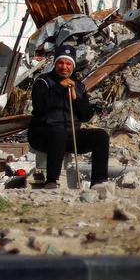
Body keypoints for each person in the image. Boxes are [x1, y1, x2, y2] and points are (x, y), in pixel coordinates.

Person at [27, 50, 109, 187]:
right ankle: (52, 180)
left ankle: (99, 182)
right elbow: (41, 107)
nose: (64, 67)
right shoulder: (43, 82)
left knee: (101, 136)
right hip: (43, 134)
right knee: (58, 134)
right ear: (55, 64)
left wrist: (77, 99)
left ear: (73, 66)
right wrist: (59, 88)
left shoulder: (78, 86)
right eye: (61, 63)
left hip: (70, 134)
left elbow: (86, 116)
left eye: (68, 64)